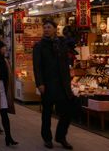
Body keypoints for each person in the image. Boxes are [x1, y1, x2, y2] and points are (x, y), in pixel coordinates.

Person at [33, 20, 74, 150]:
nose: (46, 29)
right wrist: (40, 83)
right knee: (47, 114)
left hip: (62, 83)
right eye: (44, 27)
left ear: (55, 29)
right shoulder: (39, 46)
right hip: (48, 84)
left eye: (49, 27)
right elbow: (37, 66)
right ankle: (47, 138)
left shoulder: (62, 44)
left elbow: (66, 61)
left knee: (67, 112)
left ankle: (61, 136)